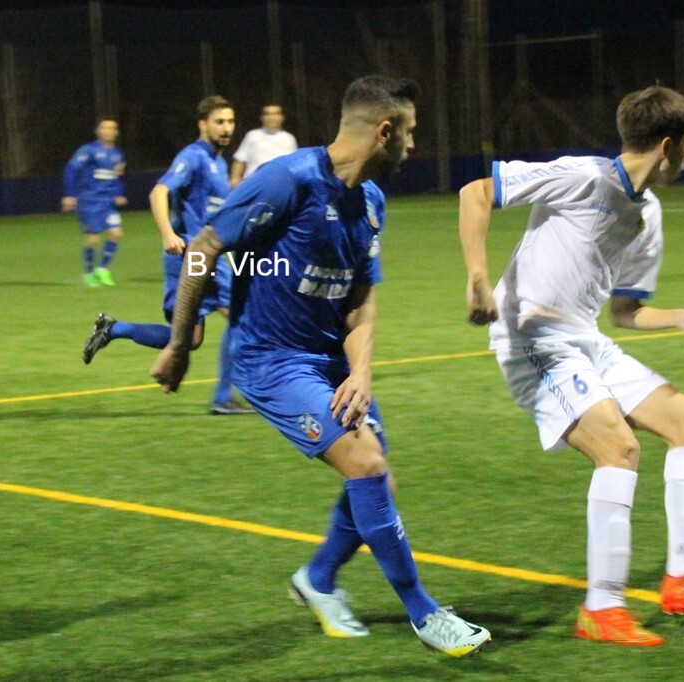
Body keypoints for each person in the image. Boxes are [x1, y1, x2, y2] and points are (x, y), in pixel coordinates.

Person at [149, 75, 491, 658]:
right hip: (270, 361)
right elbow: (204, 248)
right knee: (366, 463)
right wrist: (181, 346)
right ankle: (425, 613)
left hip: (331, 360)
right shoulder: (287, 180)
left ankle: (318, 579)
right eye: (410, 133)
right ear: (384, 131)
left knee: (377, 482)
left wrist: (360, 373)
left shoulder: (372, 202)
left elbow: (360, 300)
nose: (414, 145)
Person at [458, 85, 684, 647]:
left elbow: (625, 312)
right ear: (666, 146)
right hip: (530, 339)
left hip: (584, 338)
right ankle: (602, 608)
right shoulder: (582, 177)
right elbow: (476, 192)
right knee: (619, 448)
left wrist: (682, 318)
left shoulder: (648, 214)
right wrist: (478, 275)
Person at [83, 95, 251, 415]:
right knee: (242, 316)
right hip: (193, 254)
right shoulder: (194, 156)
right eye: (219, 122)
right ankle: (222, 398)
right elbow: (159, 191)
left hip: (199, 255)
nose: (227, 128)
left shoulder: (218, 162)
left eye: (230, 121)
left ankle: (113, 329)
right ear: (203, 124)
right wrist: (167, 234)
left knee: (190, 338)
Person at [62, 118, 127, 288]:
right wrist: (70, 195)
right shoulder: (88, 150)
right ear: (98, 131)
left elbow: (118, 176)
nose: (108, 131)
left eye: (112, 128)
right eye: (104, 128)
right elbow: (71, 170)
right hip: (89, 200)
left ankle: (103, 269)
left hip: (107, 202)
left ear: (116, 132)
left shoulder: (118, 154)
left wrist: (119, 193)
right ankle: (89, 273)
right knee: (93, 239)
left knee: (116, 233)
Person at [229, 104, 298, 188]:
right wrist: (235, 182)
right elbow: (240, 161)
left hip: (280, 187)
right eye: (267, 114)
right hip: (253, 185)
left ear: (282, 117)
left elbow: (295, 166)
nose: (272, 117)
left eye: (276, 114)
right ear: (261, 117)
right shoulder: (252, 136)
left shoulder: (289, 139)